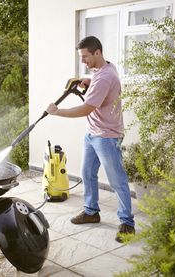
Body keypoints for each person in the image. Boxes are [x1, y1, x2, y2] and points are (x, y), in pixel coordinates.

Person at [46, 36, 135, 242]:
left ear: (97, 53)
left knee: (117, 180)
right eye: (81, 57)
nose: (83, 61)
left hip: (107, 136)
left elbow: (87, 108)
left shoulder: (104, 77)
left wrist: (57, 111)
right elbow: (99, 93)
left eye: (85, 57)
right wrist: (87, 83)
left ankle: (127, 223)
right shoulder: (102, 71)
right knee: (87, 173)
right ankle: (91, 211)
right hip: (92, 133)